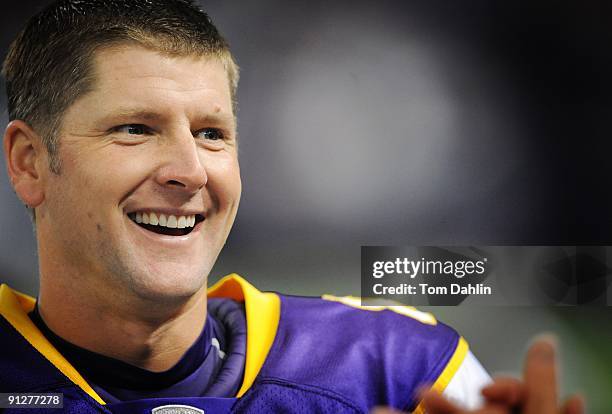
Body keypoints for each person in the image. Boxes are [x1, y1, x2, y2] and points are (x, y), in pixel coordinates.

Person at [1, 0, 493, 412]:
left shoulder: (403, 373)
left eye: (210, 134)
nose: (191, 171)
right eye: (136, 129)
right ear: (30, 163)